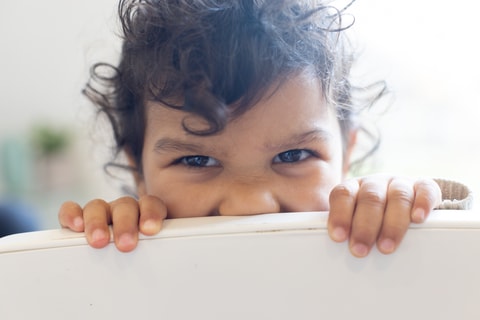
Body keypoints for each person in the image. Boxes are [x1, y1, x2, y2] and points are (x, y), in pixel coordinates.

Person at [58, 0, 471, 258]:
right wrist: (106, 254)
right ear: (138, 172)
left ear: (347, 155)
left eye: (293, 156)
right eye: (197, 159)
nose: (250, 205)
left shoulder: (362, 242)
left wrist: (411, 216)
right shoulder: (128, 253)